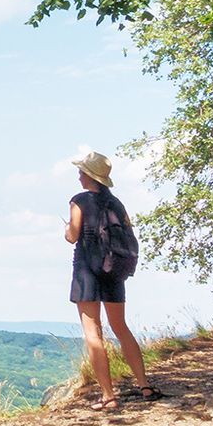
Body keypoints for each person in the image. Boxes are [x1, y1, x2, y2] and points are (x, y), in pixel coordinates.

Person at [66, 150, 160, 412]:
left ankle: (108, 395)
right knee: (121, 327)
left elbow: (73, 235)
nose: (79, 175)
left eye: (81, 171)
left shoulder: (79, 201)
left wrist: (66, 231)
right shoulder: (117, 203)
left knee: (93, 333)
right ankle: (144, 385)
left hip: (87, 270)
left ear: (87, 175)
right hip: (114, 270)